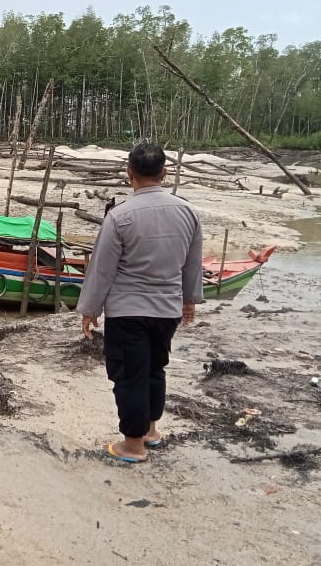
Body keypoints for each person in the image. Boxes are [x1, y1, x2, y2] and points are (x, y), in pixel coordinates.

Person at [76, 142, 204, 463]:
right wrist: (189, 301)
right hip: (167, 309)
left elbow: (102, 268)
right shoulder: (188, 212)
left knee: (129, 373)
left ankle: (133, 446)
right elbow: (192, 263)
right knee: (154, 368)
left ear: (129, 173)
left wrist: (89, 310)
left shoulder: (120, 216)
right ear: (164, 172)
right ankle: (150, 431)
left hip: (127, 310)